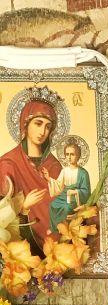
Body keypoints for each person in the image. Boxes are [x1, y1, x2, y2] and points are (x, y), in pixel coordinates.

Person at [0, 90, 62, 250]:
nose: (43, 132)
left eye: (48, 127)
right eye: (38, 123)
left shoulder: (55, 166)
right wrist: (23, 206)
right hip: (22, 245)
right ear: (25, 124)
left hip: (58, 243)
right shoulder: (8, 164)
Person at [44, 137, 91, 233]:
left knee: (67, 208)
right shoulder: (64, 171)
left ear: (78, 156)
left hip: (75, 198)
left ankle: (66, 229)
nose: (69, 157)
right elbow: (59, 185)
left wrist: (76, 191)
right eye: (67, 154)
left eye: (72, 154)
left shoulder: (83, 173)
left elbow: (86, 191)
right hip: (64, 195)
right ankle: (55, 228)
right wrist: (48, 178)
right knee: (52, 205)